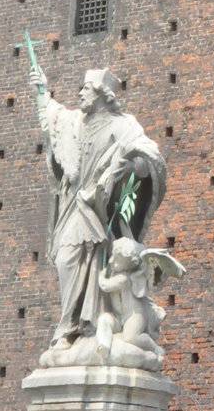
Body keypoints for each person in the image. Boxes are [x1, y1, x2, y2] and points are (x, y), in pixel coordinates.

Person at [27, 62, 166, 349]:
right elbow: (52, 119)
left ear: (103, 95)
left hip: (97, 208)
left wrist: (135, 165)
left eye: (86, 89)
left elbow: (147, 154)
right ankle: (73, 324)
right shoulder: (74, 121)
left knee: (73, 256)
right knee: (65, 258)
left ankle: (69, 329)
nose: (80, 94)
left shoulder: (123, 125)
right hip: (72, 203)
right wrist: (41, 88)